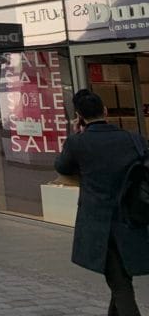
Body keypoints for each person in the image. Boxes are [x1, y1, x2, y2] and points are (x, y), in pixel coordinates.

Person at [55, 89, 149, 316]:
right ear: (105, 111)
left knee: (121, 286)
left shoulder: (78, 143)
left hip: (100, 227)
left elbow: (62, 166)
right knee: (120, 281)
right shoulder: (134, 139)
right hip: (133, 219)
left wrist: (77, 133)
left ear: (78, 116)